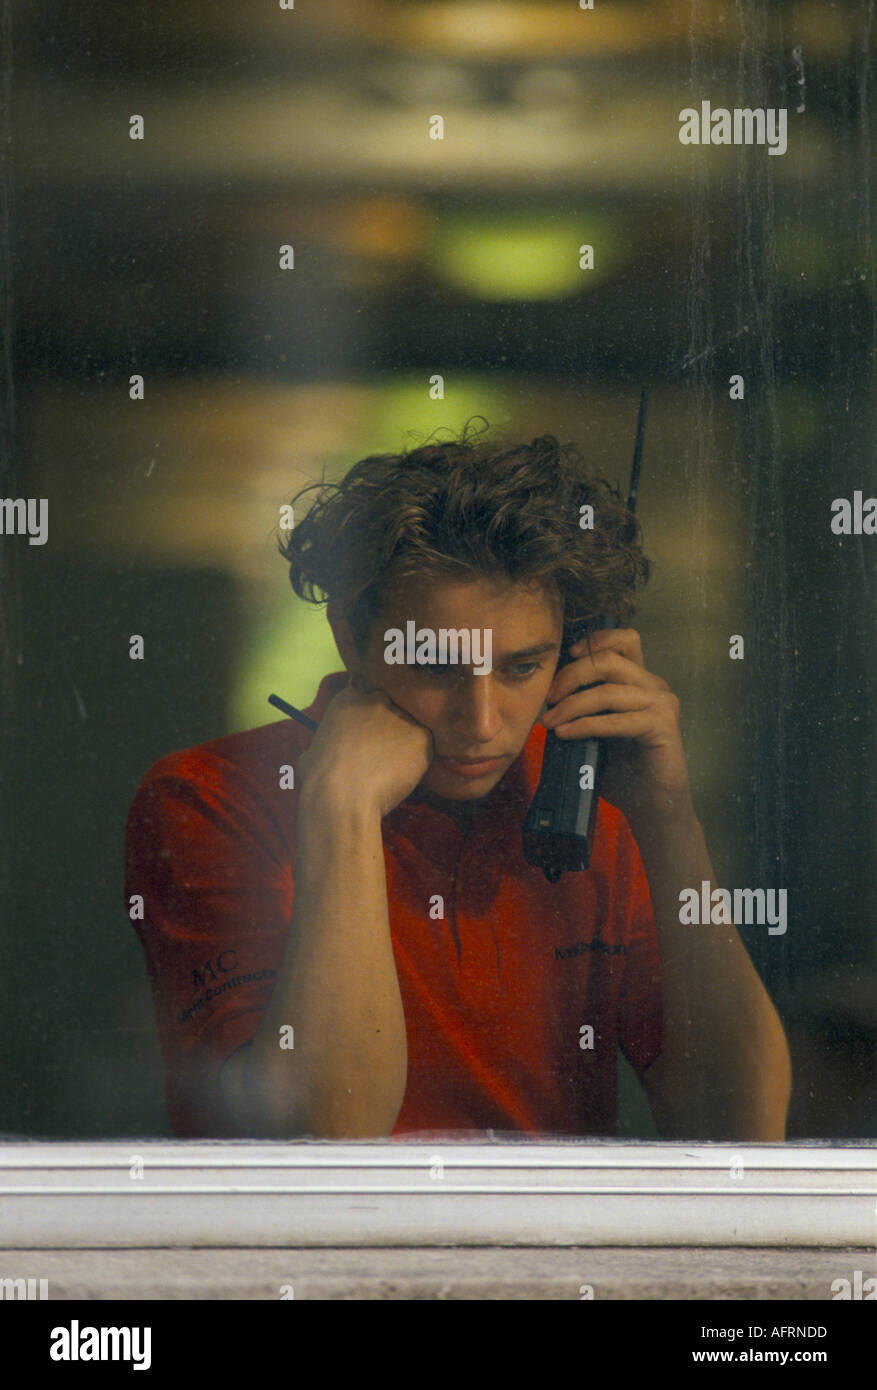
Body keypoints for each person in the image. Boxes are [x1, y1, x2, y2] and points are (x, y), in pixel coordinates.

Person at [124, 425, 791, 1141]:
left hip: (556, 1252)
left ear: (570, 646)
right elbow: (323, 1138)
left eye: (520, 668)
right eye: (438, 667)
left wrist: (668, 820)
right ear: (353, 638)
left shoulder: (591, 798)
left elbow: (743, 1130)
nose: (480, 722)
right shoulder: (206, 796)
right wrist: (342, 808)